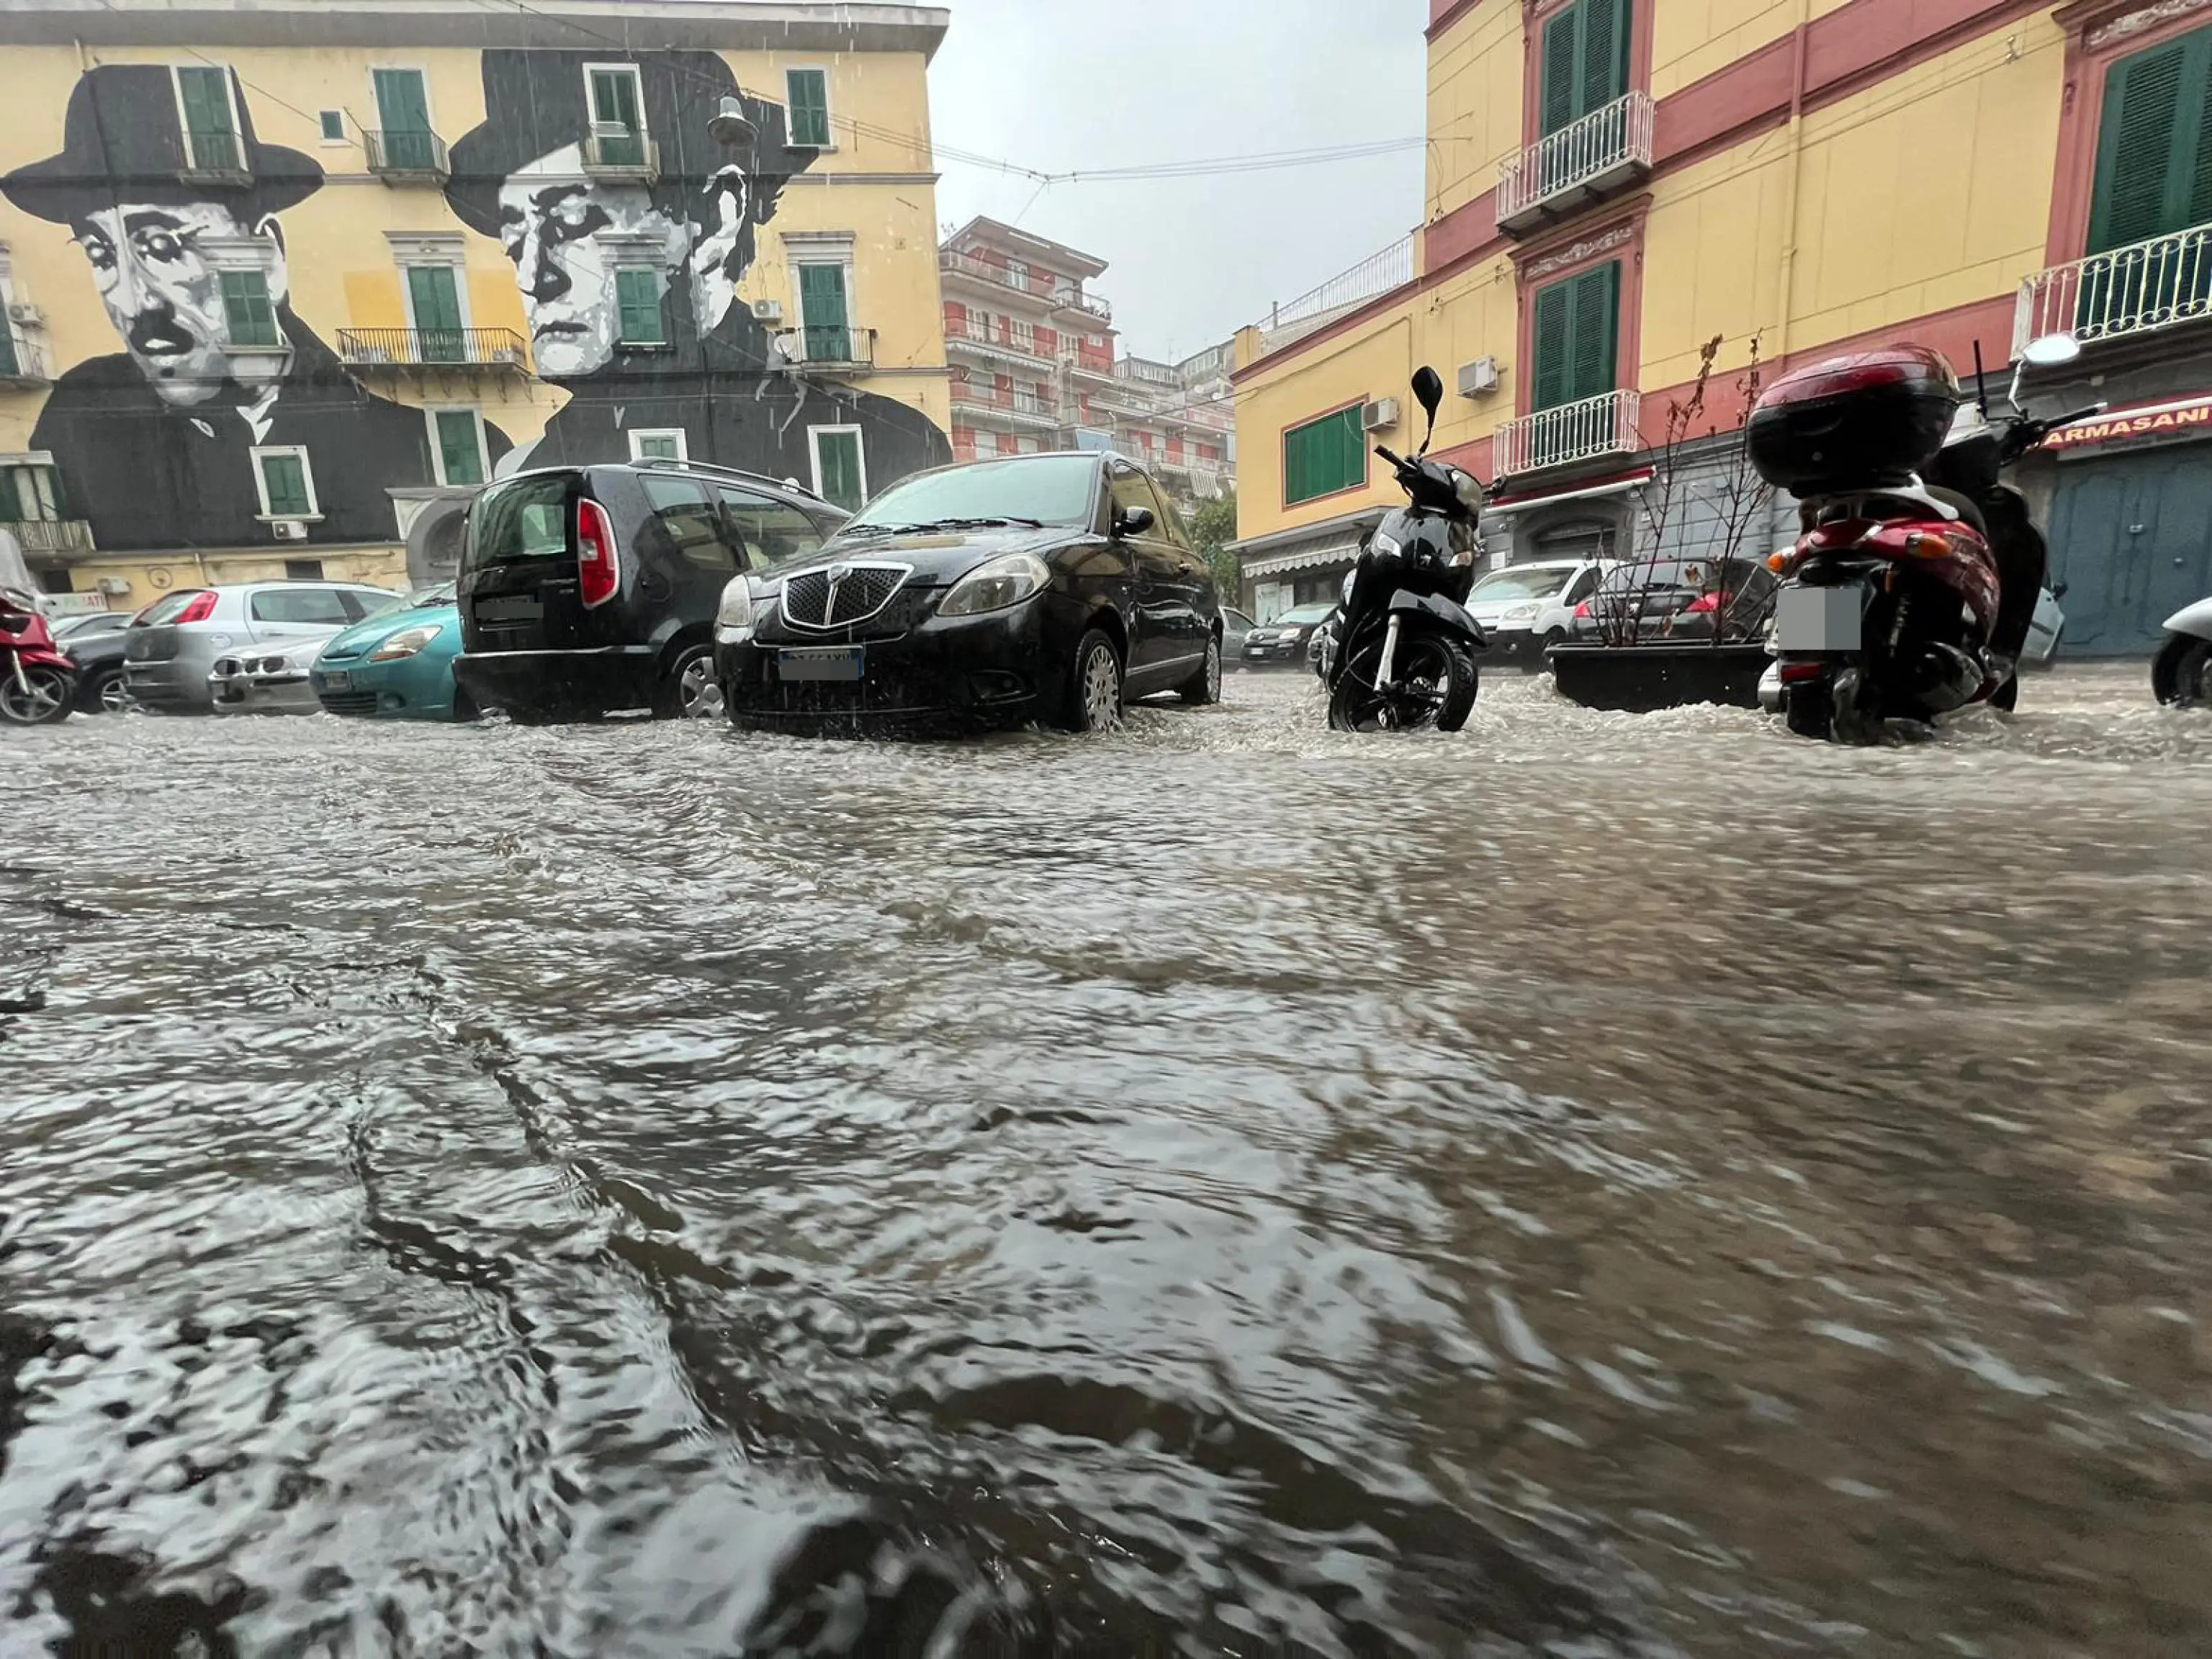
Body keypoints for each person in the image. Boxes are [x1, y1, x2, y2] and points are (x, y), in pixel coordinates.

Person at [1, 65, 505, 552]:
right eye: (100, 253)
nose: (136, 303)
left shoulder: (408, 435)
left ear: (267, 258)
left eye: (161, 248)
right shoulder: (80, 416)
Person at [444, 50, 948, 497]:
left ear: (719, 216)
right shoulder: (532, 468)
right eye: (515, 237)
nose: (534, 277)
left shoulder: (899, 438)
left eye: (571, 221)